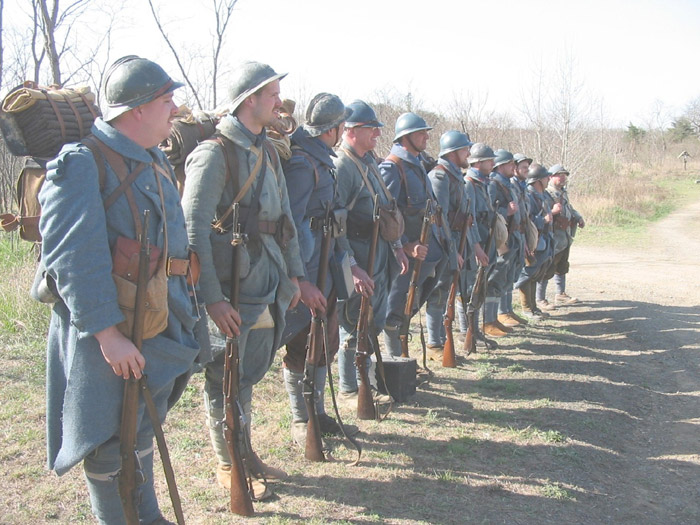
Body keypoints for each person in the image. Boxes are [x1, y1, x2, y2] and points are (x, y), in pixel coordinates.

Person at [35, 55, 198, 525]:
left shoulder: (151, 160)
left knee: (141, 422)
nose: (174, 110)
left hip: (154, 319)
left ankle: (145, 515)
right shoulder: (82, 164)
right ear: (137, 109)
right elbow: (71, 258)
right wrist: (107, 335)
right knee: (108, 437)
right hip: (108, 332)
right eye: (166, 101)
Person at [182, 61, 303, 499]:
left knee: (247, 374)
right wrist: (211, 299)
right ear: (249, 99)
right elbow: (192, 230)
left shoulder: (268, 150)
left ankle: (243, 448)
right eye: (271, 93)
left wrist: (294, 275)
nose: (278, 101)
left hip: (266, 281)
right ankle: (227, 462)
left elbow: (285, 220)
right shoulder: (214, 153)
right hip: (231, 287)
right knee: (224, 376)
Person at [279, 93, 350, 447]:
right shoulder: (303, 164)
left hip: (327, 265)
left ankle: (317, 412)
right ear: (333, 129)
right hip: (305, 269)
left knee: (325, 340)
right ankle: (299, 418)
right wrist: (301, 280)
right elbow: (289, 223)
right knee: (300, 344)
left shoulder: (323, 160)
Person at [333, 100, 405, 402]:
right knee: (353, 320)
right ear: (351, 131)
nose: (377, 132)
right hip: (356, 254)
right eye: (370, 128)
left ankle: (368, 381)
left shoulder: (369, 161)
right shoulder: (343, 166)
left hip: (378, 252)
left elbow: (387, 208)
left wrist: (398, 247)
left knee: (372, 320)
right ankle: (351, 387)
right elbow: (336, 224)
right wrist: (350, 265)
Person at [380, 112, 451, 357]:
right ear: (407, 136)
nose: (427, 137)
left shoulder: (418, 166)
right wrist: (404, 246)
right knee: (394, 311)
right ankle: (395, 361)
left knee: (409, 308)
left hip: (423, 254)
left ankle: (402, 359)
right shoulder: (393, 168)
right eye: (421, 132)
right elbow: (385, 216)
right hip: (403, 257)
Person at [424, 131, 484, 361]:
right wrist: (451, 251)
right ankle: (434, 343)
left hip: (457, 244)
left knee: (447, 293)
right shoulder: (440, 177)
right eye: (464, 149)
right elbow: (440, 221)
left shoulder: (455, 176)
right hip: (444, 245)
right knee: (438, 294)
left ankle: (441, 340)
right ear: (453, 152)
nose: (468, 153)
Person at [461, 143, 498, 344]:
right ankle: (466, 332)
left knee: (479, 287)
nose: (493, 163)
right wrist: (476, 246)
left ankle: (474, 331)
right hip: (474, 244)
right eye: (489, 160)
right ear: (478, 162)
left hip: (485, 241)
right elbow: (471, 218)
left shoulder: (483, 183)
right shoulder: (469, 184)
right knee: (468, 289)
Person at [537, 164, 585, 308]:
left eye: (564, 175)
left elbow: (569, 208)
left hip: (564, 236)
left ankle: (560, 293)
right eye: (560, 175)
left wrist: (578, 217)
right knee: (546, 267)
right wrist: (553, 211)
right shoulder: (546, 193)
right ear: (551, 177)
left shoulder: (562, 193)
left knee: (562, 266)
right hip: (552, 235)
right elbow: (540, 213)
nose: (563, 178)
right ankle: (540, 299)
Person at [514, 163, 554, 318]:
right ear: (537, 180)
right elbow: (527, 220)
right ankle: (526, 309)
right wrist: (542, 220)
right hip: (532, 239)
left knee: (536, 273)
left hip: (543, 238)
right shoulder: (529, 195)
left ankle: (533, 306)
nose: (548, 179)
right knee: (528, 273)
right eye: (545, 177)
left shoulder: (542, 195)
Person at [500, 153, 532, 325]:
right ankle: (501, 312)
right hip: (506, 235)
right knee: (502, 275)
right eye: (522, 167)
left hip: (518, 233)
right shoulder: (506, 185)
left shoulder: (519, 186)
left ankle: (508, 310)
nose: (525, 170)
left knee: (511, 275)